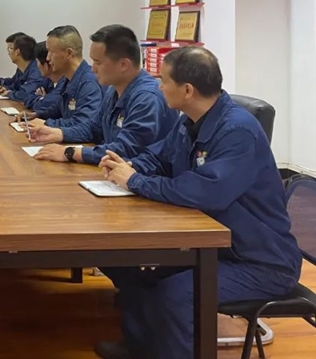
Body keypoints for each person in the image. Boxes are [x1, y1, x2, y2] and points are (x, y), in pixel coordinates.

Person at [94, 47, 302, 359]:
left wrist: (135, 181)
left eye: (164, 80)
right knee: (133, 269)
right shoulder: (190, 121)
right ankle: (140, 348)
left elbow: (206, 191)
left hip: (259, 261)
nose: (158, 86)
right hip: (217, 247)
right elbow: (160, 157)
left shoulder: (238, 131)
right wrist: (128, 166)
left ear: (187, 90)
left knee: (177, 293)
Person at [34, 25, 177, 163]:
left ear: (123, 64)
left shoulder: (146, 98)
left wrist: (70, 152)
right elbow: (93, 128)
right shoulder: (113, 90)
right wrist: (60, 133)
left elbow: (126, 149)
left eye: (98, 62)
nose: (93, 69)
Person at [28, 25, 102, 142]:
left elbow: (83, 123)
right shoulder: (68, 79)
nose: (48, 57)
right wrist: (38, 114)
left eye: (51, 52)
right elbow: (59, 109)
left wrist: (47, 123)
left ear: (69, 53)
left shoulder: (88, 82)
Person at [0, 34, 43, 103]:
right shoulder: (22, 68)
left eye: (10, 49)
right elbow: (15, 85)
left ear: (17, 52)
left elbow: (25, 94)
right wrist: (5, 88)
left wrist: (9, 93)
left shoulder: (36, 71)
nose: (8, 53)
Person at [24, 40, 64, 112]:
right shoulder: (47, 80)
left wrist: (42, 99)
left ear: (46, 66)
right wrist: (42, 99)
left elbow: (44, 105)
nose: (36, 66)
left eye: (37, 62)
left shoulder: (64, 85)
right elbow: (27, 96)